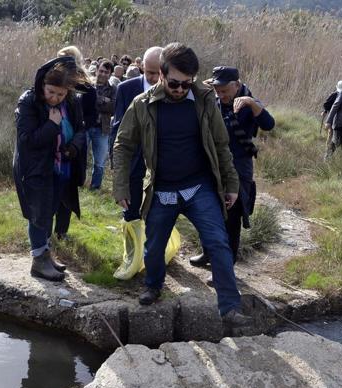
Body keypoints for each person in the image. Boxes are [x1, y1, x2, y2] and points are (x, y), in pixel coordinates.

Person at [112, 42, 251, 326]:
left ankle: (230, 308)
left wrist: (231, 184)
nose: (180, 90)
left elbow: (222, 144)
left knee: (218, 243)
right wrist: (121, 187)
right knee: (153, 248)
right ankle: (153, 286)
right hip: (162, 189)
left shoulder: (204, 100)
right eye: (174, 83)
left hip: (199, 188)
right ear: (161, 76)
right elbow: (123, 145)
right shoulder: (142, 105)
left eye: (186, 84)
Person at [190, 66, 275, 268]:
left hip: (238, 167)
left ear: (237, 85)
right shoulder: (215, 101)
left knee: (232, 217)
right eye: (218, 91)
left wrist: (250, 104)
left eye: (225, 91)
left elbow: (268, 124)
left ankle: (226, 264)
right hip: (213, 164)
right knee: (207, 211)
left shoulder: (248, 101)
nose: (222, 95)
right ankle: (207, 253)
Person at [13, 56, 85, 281]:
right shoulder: (29, 102)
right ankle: (38, 262)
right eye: (51, 92)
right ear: (42, 84)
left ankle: (45, 256)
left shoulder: (72, 102)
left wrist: (72, 148)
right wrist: (52, 125)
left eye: (60, 94)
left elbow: (81, 131)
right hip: (34, 169)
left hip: (60, 167)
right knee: (38, 215)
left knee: (50, 212)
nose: (54, 98)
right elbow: (27, 140)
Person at [110, 46, 162, 222]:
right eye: (149, 72)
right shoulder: (126, 88)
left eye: (157, 73)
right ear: (143, 67)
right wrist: (116, 163)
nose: (153, 78)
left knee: (155, 213)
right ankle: (133, 243)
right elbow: (117, 127)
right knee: (131, 211)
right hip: (132, 156)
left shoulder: (173, 90)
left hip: (159, 160)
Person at [56, 46, 96, 238]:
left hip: (74, 143)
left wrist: (75, 141)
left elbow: (89, 115)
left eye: (67, 60)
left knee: (68, 188)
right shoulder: (51, 80)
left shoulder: (85, 85)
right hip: (54, 143)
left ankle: (61, 231)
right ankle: (46, 232)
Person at [87, 60, 117, 190]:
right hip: (85, 125)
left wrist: (99, 101)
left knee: (99, 161)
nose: (103, 74)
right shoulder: (88, 85)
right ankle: (78, 182)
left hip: (102, 128)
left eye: (106, 72)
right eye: (101, 71)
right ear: (97, 70)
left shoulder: (113, 89)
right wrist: (104, 100)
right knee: (79, 156)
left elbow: (114, 107)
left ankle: (95, 186)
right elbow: (86, 103)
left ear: (110, 74)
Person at [321, 80, 342, 157]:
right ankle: (328, 150)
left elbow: (326, 105)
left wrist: (326, 111)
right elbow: (326, 105)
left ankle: (330, 149)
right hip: (333, 118)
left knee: (332, 134)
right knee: (331, 133)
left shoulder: (337, 94)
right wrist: (326, 111)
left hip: (336, 118)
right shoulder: (338, 94)